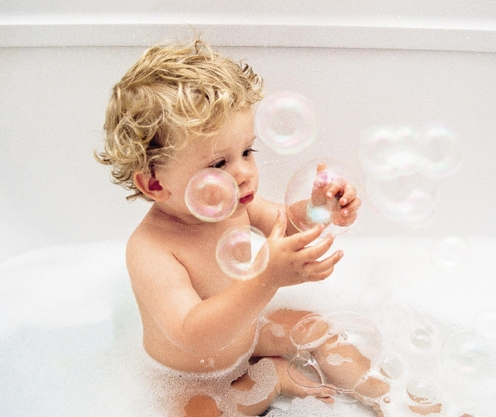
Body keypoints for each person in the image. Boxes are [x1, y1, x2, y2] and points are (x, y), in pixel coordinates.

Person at [96, 38, 390, 417]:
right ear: (154, 183)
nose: (245, 173)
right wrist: (268, 278)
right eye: (219, 164)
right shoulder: (151, 250)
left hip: (247, 335)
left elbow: (288, 225)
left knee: (315, 327)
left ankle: (397, 401)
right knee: (199, 415)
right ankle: (271, 379)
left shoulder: (234, 205)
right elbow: (193, 336)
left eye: (247, 152)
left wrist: (321, 209)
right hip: (192, 375)